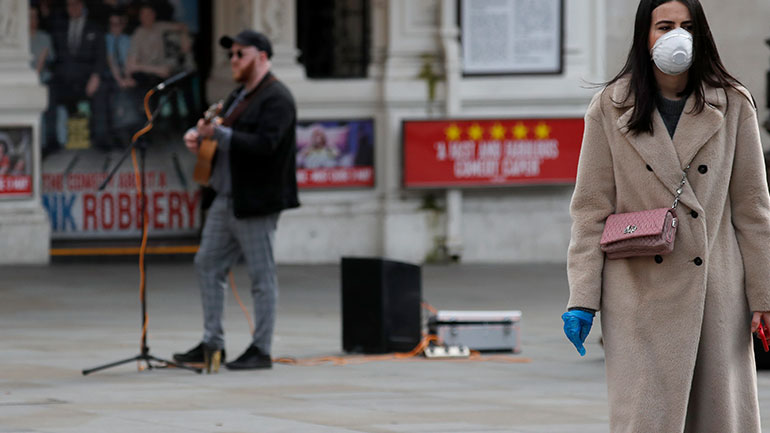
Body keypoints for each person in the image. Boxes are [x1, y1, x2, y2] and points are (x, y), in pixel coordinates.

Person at [562, 1, 770, 431]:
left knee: (717, 417)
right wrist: (582, 297)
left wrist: (764, 296)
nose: (678, 35)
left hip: (715, 291)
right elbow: (590, 210)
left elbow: (753, 210)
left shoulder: (732, 103)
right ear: (645, 34)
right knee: (646, 418)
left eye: (688, 26)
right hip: (638, 291)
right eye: (666, 25)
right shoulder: (611, 106)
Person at [173, 30, 300, 372]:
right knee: (207, 264)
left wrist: (220, 135)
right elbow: (217, 131)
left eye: (240, 54)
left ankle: (261, 348)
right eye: (231, 55)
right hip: (225, 198)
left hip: (255, 201)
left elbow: (266, 146)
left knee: (261, 276)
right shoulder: (237, 96)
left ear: (261, 57)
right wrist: (198, 138)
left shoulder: (277, 98)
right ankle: (212, 344)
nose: (233, 61)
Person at [47, 0, 108, 153]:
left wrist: (96, 77)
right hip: (64, 80)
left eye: (76, 4)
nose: (73, 8)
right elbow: (53, 58)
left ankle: (101, 139)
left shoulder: (94, 28)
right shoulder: (59, 28)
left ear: (82, 6)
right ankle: (51, 141)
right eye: (69, 5)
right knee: (48, 90)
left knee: (101, 89)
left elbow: (101, 56)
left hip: (86, 80)